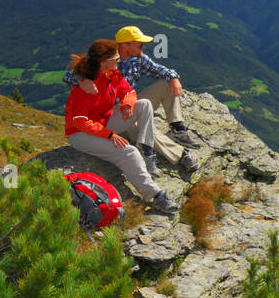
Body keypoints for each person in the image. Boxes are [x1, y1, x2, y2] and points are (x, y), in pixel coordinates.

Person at [64, 39, 180, 216]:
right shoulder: (86, 87)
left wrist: (127, 105)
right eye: (116, 59)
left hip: (104, 122)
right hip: (81, 134)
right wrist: (109, 135)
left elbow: (129, 92)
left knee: (144, 104)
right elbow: (79, 121)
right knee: (128, 151)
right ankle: (155, 196)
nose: (120, 62)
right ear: (104, 62)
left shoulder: (112, 75)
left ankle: (147, 150)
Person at [63, 25, 199, 173]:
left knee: (166, 84)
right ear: (125, 46)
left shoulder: (138, 59)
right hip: (112, 112)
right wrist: (83, 79)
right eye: (140, 44)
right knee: (139, 127)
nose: (144, 47)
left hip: (129, 101)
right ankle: (180, 154)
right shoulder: (107, 58)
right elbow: (69, 75)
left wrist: (173, 77)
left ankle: (177, 128)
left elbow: (159, 70)